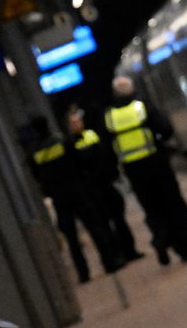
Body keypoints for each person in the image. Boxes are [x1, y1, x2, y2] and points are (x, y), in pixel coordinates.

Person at [103, 76, 187, 264]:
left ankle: (159, 239)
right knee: (170, 205)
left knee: (151, 209)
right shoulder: (142, 107)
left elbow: (108, 147)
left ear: (115, 93)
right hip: (157, 164)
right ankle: (184, 250)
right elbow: (166, 129)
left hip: (133, 170)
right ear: (132, 90)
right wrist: (157, 140)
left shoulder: (109, 116)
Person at [24, 117, 121, 283]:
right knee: (94, 228)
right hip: (76, 191)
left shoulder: (35, 152)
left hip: (58, 197)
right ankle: (109, 262)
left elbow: (37, 175)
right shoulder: (62, 142)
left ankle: (83, 273)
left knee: (71, 237)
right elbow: (79, 161)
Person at [67, 104, 143, 265]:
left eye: (78, 121)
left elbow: (103, 156)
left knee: (119, 218)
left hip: (104, 185)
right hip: (92, 190)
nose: (77, 124)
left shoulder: (91, 135)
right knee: (104, 225)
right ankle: (116, 255)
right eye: (74, 123)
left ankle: (129, 251)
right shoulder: (70, 144)